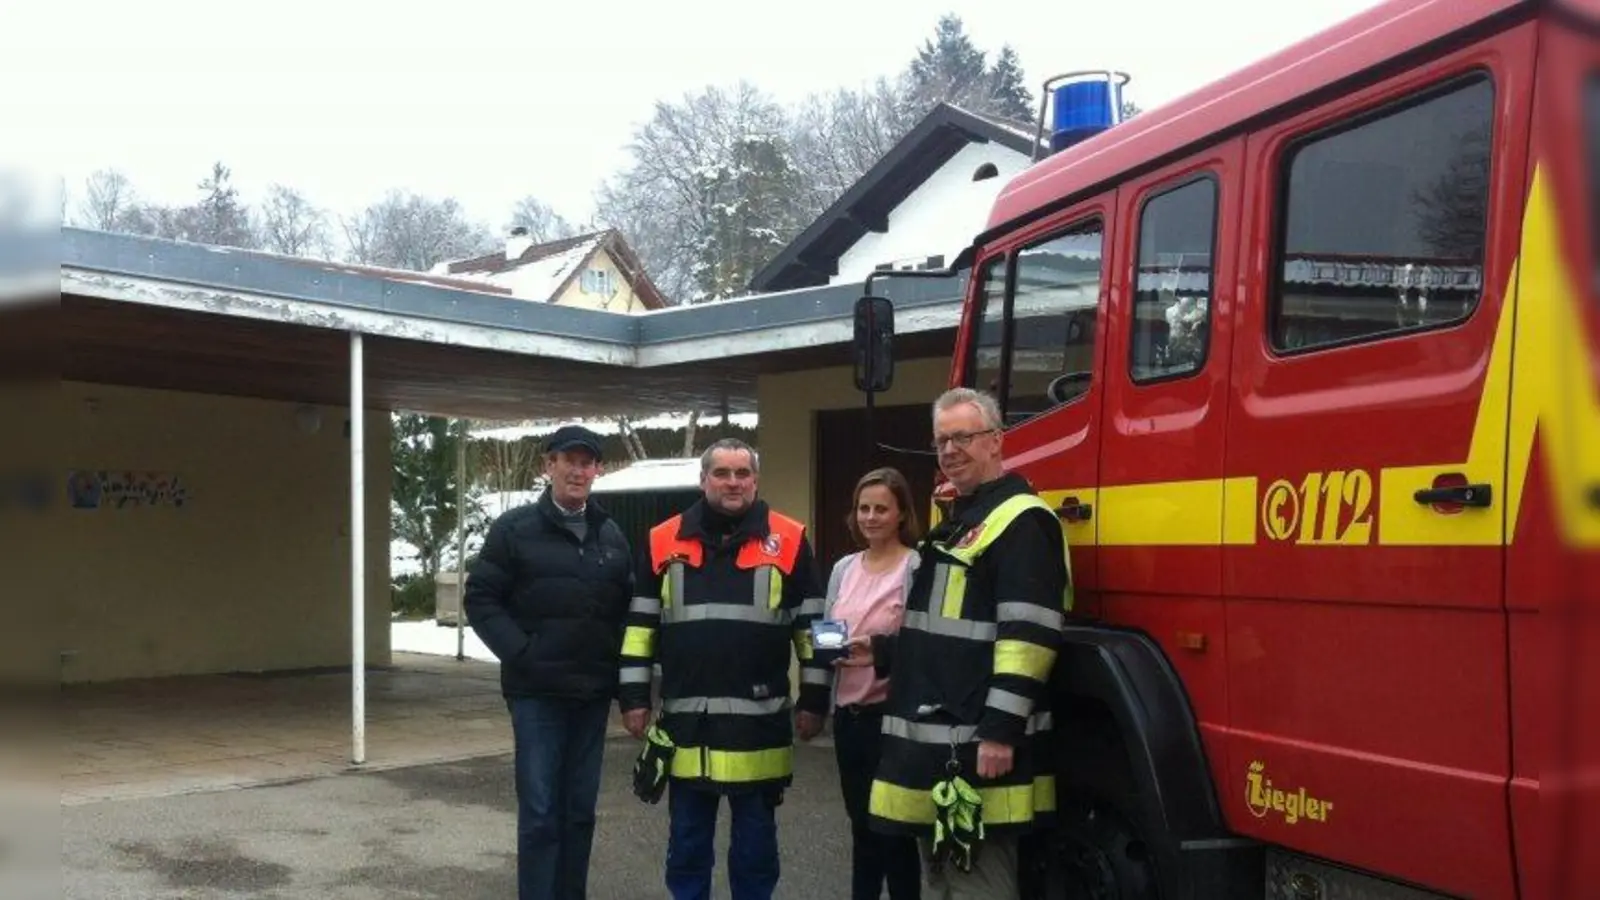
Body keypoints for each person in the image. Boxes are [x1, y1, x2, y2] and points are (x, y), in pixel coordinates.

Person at [841, 388, 1070, 900]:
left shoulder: (1021, 522)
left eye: (962, 437)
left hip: (978, 749)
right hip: (941, 749)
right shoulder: (959, 523)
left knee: (976, 885)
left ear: (996, 441)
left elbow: (1029, 636)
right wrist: (881, 653)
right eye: (942, 440)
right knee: (943, 881)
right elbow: (943, 636)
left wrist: (1002, 731)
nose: (949, 450)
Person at [617, 438, 833, 900]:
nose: (732, 482)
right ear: (703, 480)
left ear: (755, 480)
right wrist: (634, 698)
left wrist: (817, 700)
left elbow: (816, 626)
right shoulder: (662, 539)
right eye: (722, 473)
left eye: (742, 473)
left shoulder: (791, 537)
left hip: (760, 730)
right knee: (688, 847)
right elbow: (639, 627)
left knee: (756, 851)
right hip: (686, 726)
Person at [463, 424, 635, 900]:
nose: (577, 470)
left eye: (587, 462)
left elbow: (625, 611)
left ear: (597, 471)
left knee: (579, 811)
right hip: (537, 695)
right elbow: (480, 599)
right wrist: (522, 652)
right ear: (548, 465)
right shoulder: (514, 530)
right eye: (568, 460)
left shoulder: (611, 535)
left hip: (591, 694)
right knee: (540, 811)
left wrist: (626, 684)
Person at [825, 467, 924, 900]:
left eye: (881, 508)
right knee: (861, 830)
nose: (870, 517)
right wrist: (827, 649)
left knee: (895, 833)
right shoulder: (843, 568)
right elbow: (827, 631)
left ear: (902, 514)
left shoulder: (916, 566)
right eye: (863, 508)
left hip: (892, 719)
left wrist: (880, 649)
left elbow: (925, 643)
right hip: (849, 719)